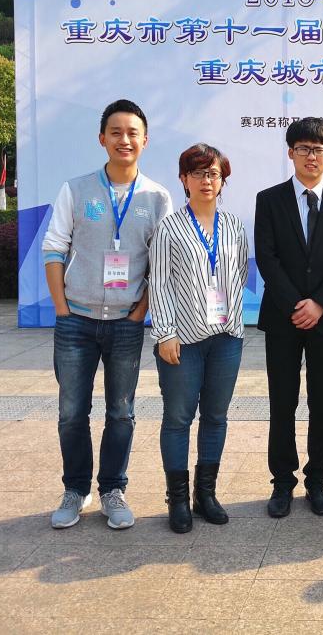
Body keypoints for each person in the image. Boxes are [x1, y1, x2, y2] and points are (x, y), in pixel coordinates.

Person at [42, 99, 173, 530]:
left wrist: (139, 313)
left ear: (145, 140)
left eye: (133, 133)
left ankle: (113, 490)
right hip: (76, 321)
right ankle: (75, 489)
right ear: (102, 139)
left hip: (125, 324)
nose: (124, 140)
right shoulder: (76, 190)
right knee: (71, 412)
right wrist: (62, 310)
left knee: (121, 412)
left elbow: (162, 264)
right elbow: (54, 249)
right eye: (116, 132)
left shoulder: (157, 197)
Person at [255, 118, 323, 518]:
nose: (311, 156)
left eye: (318, 150)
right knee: (282, 401)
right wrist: (296, 303)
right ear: (291, 153)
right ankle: (282, 481)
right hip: (282, 317)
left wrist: (319, 303)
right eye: (303, 149)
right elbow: (267, 257)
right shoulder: (269, 199)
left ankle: (318, 480)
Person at [149, 143, 249, 533]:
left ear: (223, 180)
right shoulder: (169, 228)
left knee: (216, 416)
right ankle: (177, 499)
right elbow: (158, 282)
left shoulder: (234, 225)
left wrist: (232, 319)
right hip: (182, 340)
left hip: (226, 337)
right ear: (183, 179)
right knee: (178, 418)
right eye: (197, 173)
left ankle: (205, 494)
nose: (206, 180)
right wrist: (165, 333)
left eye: (213, 173)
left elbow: (239, 274)